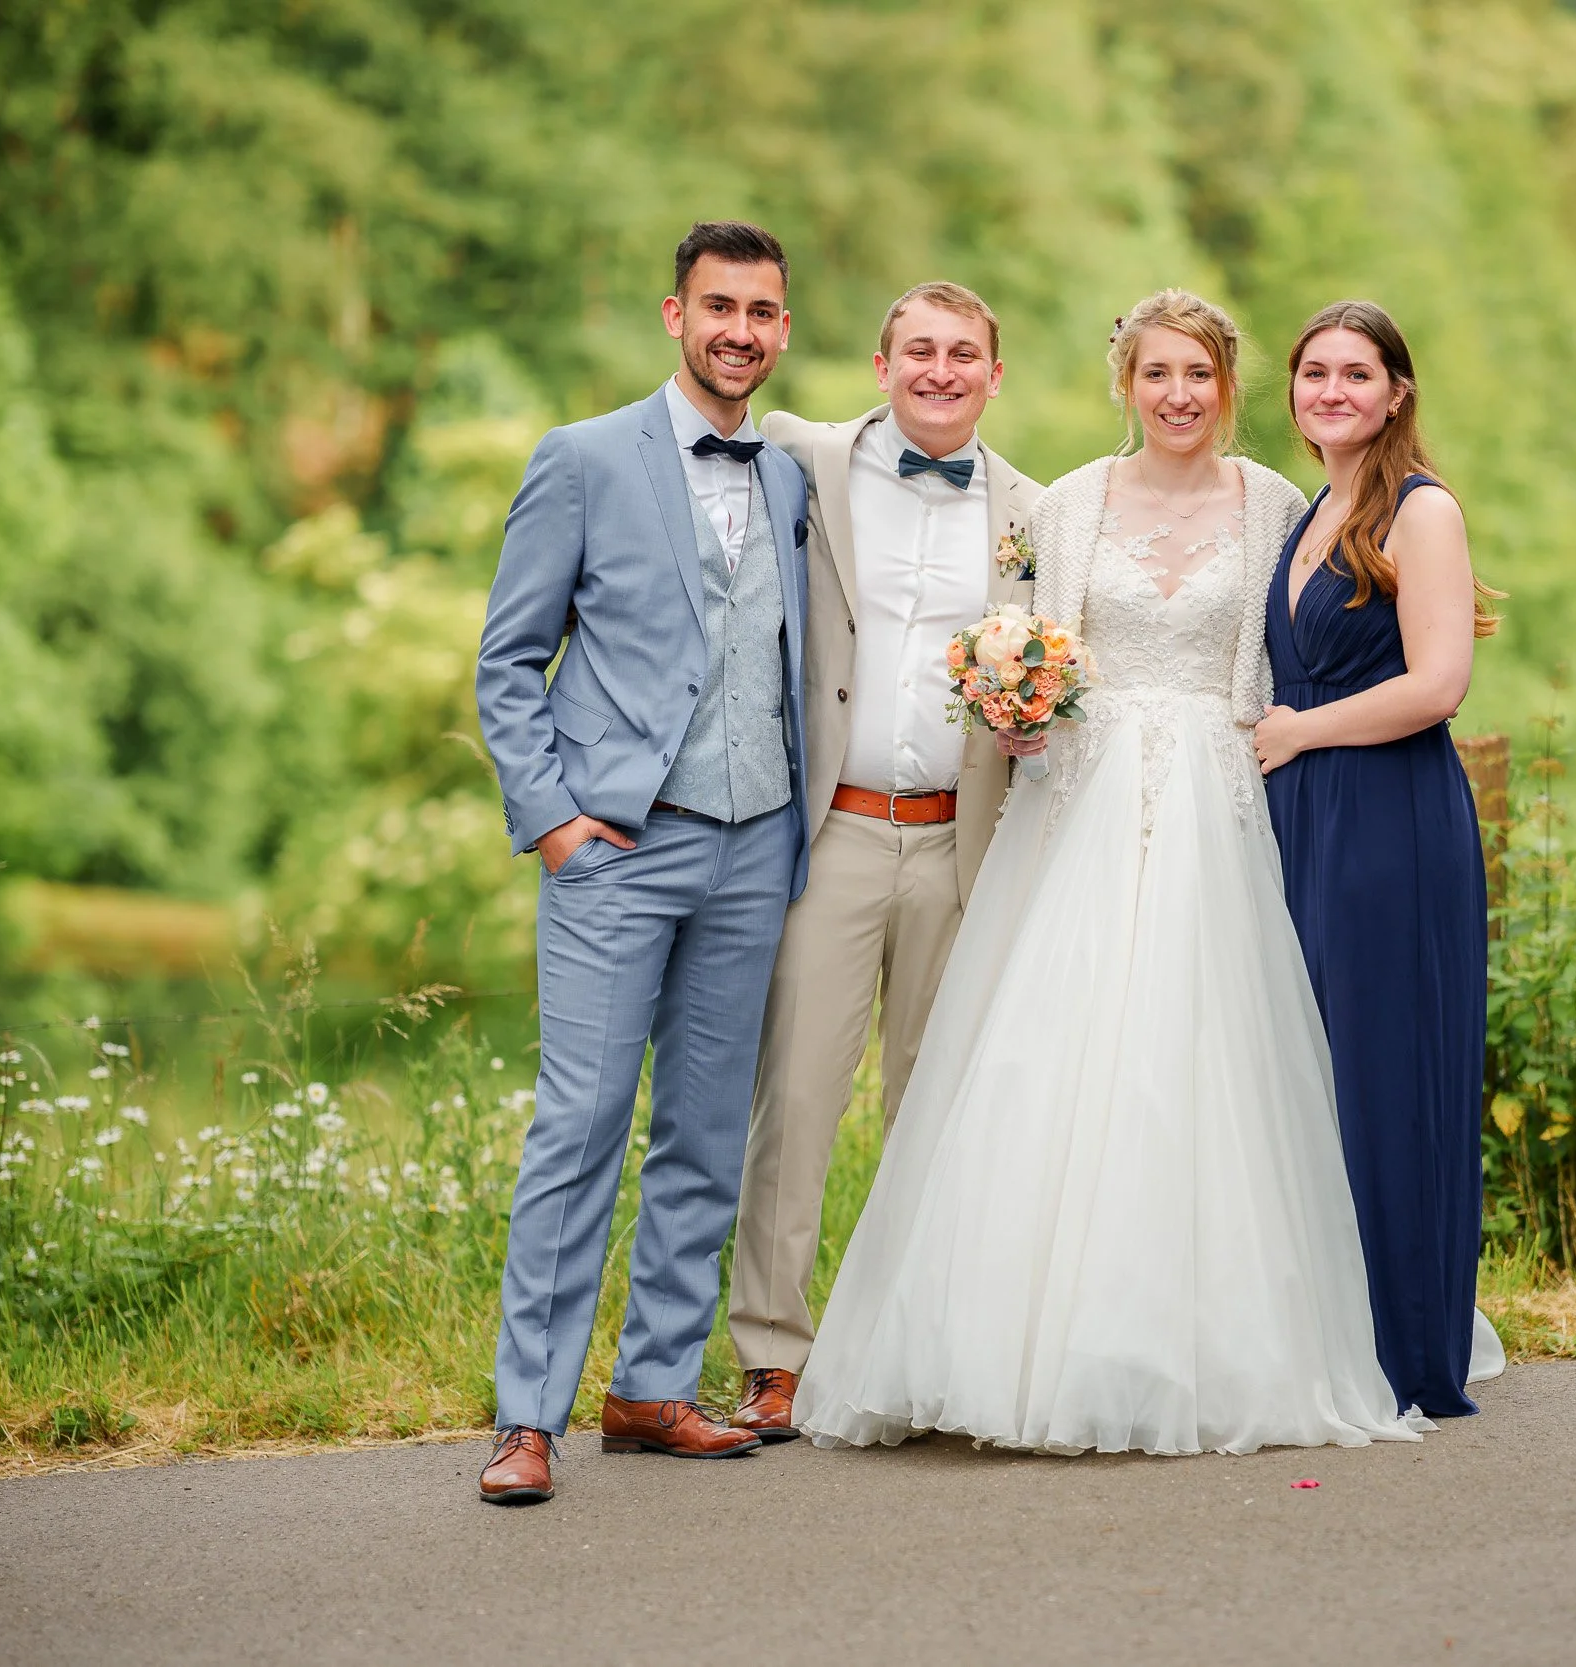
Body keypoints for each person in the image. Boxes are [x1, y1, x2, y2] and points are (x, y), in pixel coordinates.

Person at [795, 290, 1419, 1456]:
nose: (1176, 395)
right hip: (1073, 803)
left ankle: (1189, 1345)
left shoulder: (1279, 502)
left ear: (1226, 386)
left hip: (1217, 799)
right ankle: (1000, 1347)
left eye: (1197, 375)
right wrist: (1018, 708)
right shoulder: (1068, 501)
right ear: (1124, 384)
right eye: (1154, 375)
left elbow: (1289, 653)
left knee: (1198, 1063)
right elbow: (1031, 636)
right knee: (1042, 1056)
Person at [471, 221, 811, 1504]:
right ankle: (527, 1415)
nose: (740, 329)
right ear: (675, 316)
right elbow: (509, 659)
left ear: (783, 330)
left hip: (755, 842)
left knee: (706, 1131)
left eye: (763, 311)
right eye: (719, 306)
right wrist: (553, 819)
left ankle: (653, 1385)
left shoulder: (786, 476)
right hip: (618, 848)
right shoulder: (582, 459)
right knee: (581, 1125)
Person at [723, 283, 1045, 1443]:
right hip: (833, 833)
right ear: (879, 363)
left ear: (995, 376)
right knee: (796, 1099)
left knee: (939, 1103)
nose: (942, 370)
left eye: (965, 353)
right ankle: (772, 1352)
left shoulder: (1033, 513)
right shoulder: (800, 458)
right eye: (921, 349)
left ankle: (924, 1349)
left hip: (967, 843)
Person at [1256, 300, 1506, 1421]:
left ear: (1397, 390)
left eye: (1357, 373)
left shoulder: (1422, 509)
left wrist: (1300, 729)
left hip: (1389, 820)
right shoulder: (1312, 509)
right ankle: (1333, 1337)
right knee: (1316, 1082)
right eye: (1314, 373)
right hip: (1304, 815)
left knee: (1385, 1076)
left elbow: (1438, 683)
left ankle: (1409, 1353)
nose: (1332, 391)